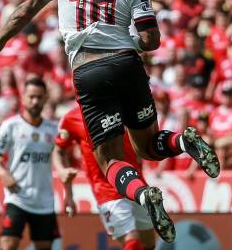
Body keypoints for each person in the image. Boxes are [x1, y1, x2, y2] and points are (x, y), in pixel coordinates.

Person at [0, 0, 219, 243]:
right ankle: (183, 140)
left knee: (110, 161)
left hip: (89, 71)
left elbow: (26, 9)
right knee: (150, 147)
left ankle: (142, 194)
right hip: (127, 64)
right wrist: (126, 38)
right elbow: (151, 41)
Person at [53, 107, 155, 250]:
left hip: (136, 185)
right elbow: (58, 150)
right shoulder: (72, 118)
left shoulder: (124, 107)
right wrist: (62, 174)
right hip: (107, 191)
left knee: (149, 243)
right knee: (131, 241)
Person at [0, 78, 63, 250]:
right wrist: (3, 174)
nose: (35, 101)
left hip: (44, 200)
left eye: (39, 97)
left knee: (44, 247)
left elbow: (59, 159)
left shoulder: (52, 129)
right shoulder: (11, 126)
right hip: (17, 197)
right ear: (23, 97)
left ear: (45, 98)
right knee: (8, 244)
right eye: (31, 97)